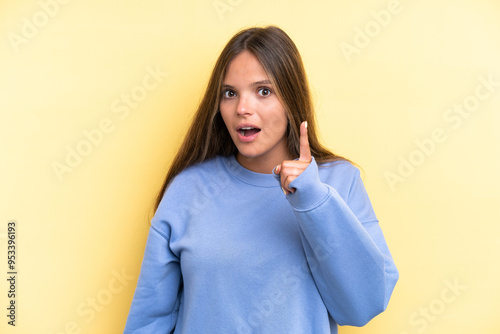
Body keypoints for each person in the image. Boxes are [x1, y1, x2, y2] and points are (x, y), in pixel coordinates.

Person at [124, 25, 398, 334]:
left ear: (291, 100)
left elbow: (363, 306)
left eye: (263, 91)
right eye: (230, 94)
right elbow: (149, 321)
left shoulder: (339, 182)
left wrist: (312, 199)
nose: (242, 109)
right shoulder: (189, 189)